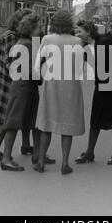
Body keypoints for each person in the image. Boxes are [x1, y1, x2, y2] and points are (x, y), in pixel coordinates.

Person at [34, 10, 86, 175]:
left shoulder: (47, 39)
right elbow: (80, 68)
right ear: (69, 24)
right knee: (67, 125)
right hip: (71, 85)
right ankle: (65, 163)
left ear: (54, 23)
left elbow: (37, 65)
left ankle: (41, 161)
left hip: (52, 84)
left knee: (47, 124)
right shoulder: (78, 41)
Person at [75, 21, 112, 165]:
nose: (78, 34)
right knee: (95, 120)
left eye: (80, 31)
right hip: (101, 86)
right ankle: (89, 152)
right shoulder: (86, 46)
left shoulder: (104, 42)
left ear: (88, 31)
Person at [0, 9, 34, 162]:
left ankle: (25, 145)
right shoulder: (11, 37)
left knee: (19, 115)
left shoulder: (17, 37)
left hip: (13, 80)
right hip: (9, 82)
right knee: (6, 118)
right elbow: (10, 63)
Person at [0, 14, 43, 171]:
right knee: (14, 122)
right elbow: (30, 70)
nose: (41, 29)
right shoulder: (28, 44)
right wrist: (40, 78)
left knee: (23, 121)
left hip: (24, 87)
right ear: (31, 29)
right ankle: (6, 159)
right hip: (25, 87)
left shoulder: (23, 42)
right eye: (38, 27)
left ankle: (31, 154)